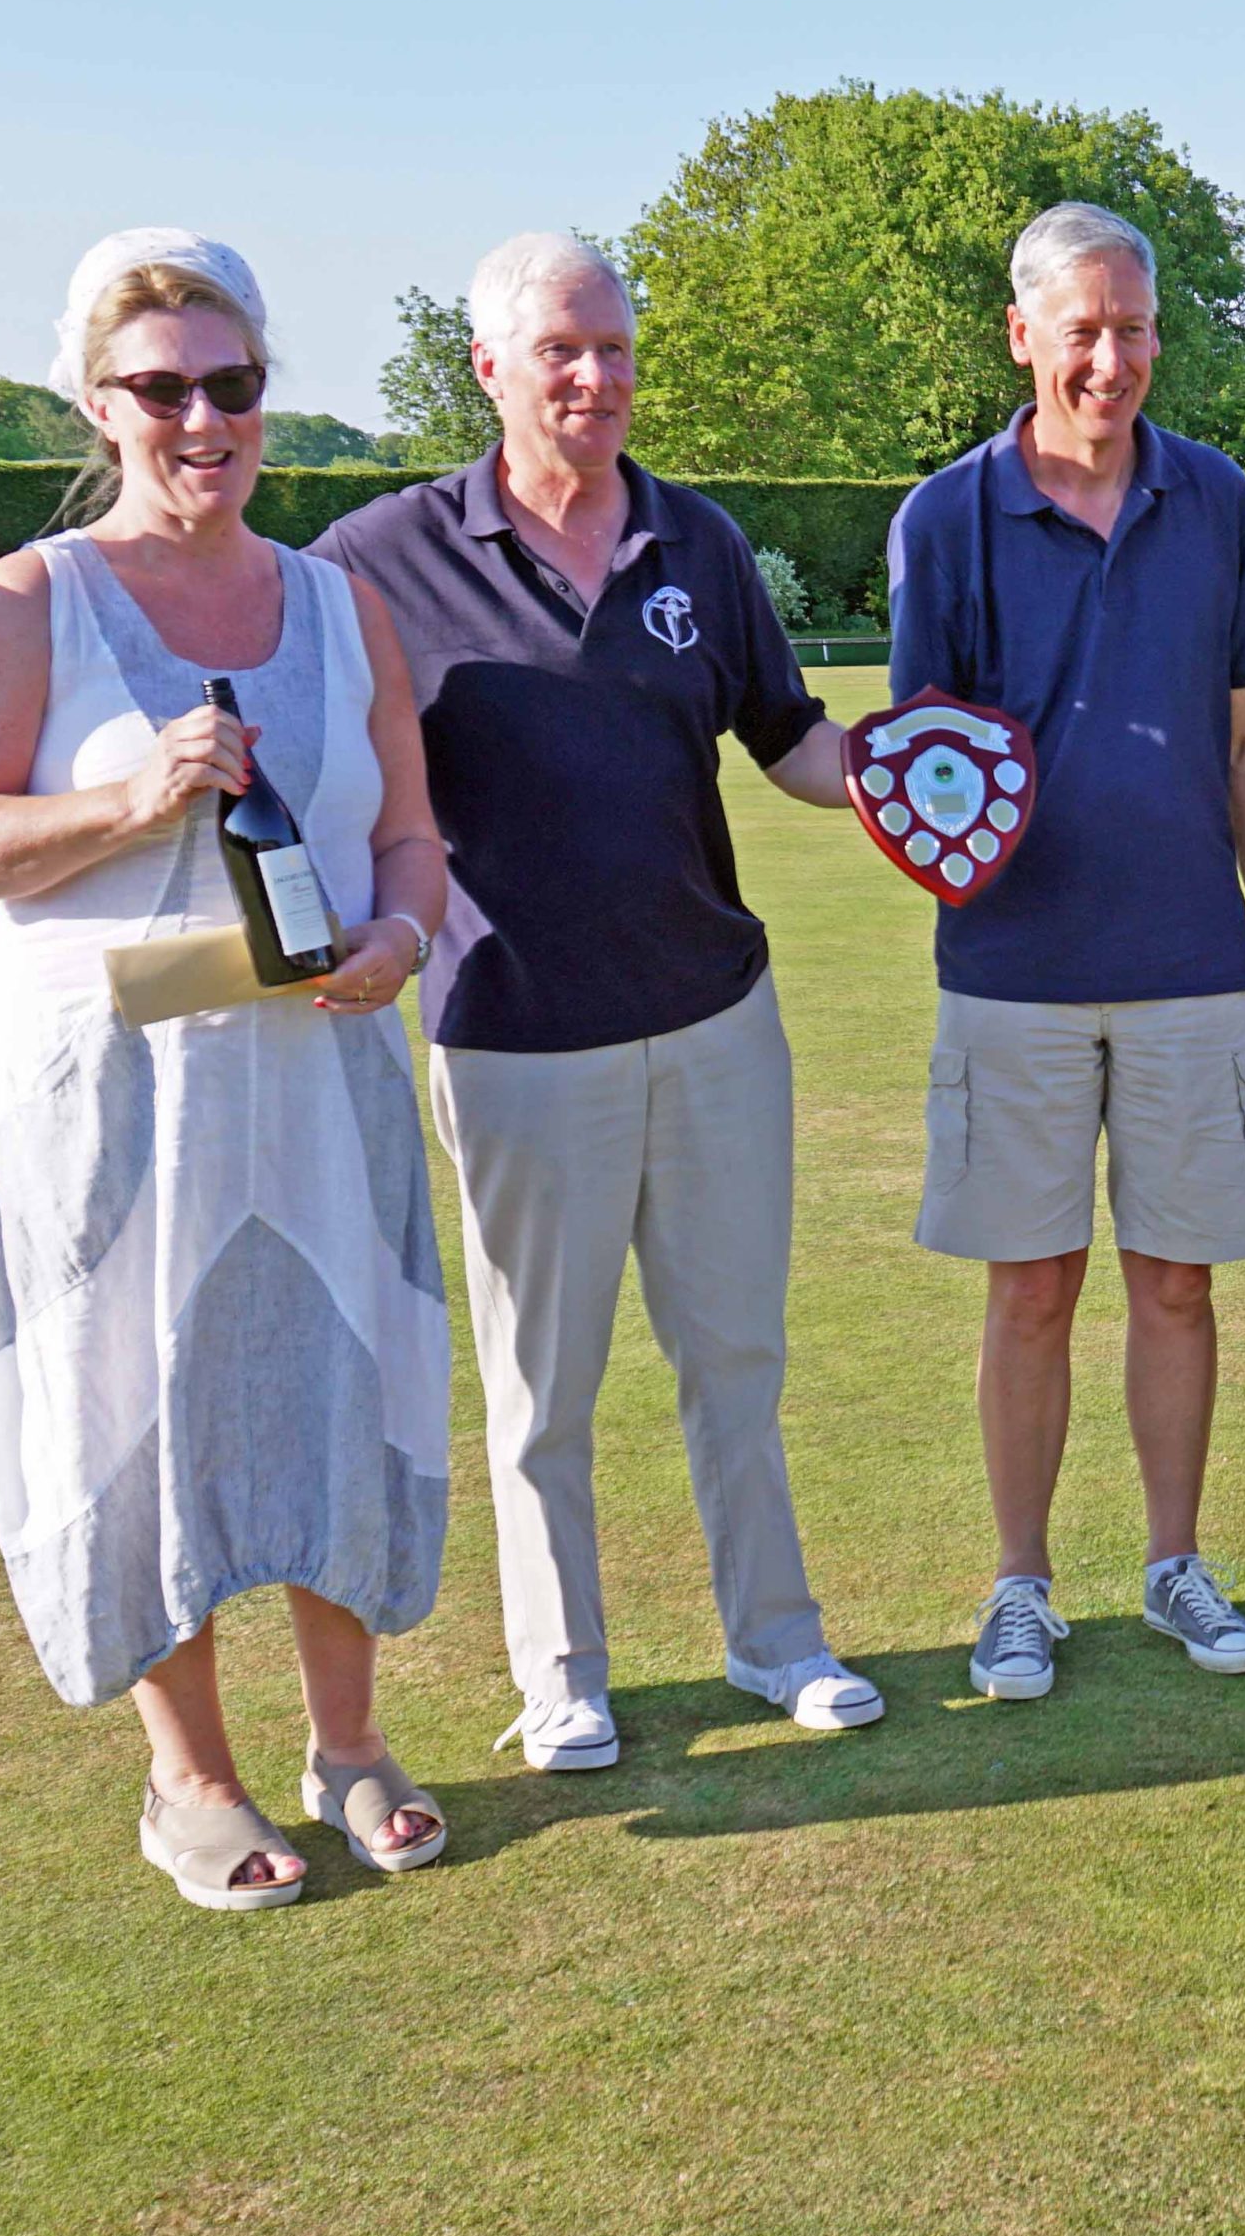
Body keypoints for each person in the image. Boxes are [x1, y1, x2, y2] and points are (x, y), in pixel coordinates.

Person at [0, 228, 452, 1909]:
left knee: (332, 1392)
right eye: (161, 388)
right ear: (98, 401)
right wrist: (132, 803)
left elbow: (413, 836)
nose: (201, 418)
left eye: (235, 385)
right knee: (136, 1411)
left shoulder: (347, 605)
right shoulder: (25, 601)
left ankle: (347, 1745)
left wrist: (403, 940)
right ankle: (190, 1781)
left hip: (320, 1071)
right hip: (116, 1087)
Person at [308, 234, 883, 1772]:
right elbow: (285, 721)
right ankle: (562, 1673)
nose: (596, 377)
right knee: (540, 1391)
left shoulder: (698, 542)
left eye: (616, 350)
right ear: (488, 367)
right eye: (562, 351)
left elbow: (793, 745)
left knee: (736, 1362)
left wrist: (916, 775)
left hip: (711, 1018)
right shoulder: (375, 559)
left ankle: (779, 1642)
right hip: (509, 1032)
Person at [885, 201, 1245, 1703]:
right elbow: (921, 762)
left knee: (1181, 1285)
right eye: (1085, 330)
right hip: (1012, 972)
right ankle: (1020, 1585)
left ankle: (1177, 1565)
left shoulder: (1219, 499)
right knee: (1031, 1289)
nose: (1114, 357)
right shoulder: (944, 518)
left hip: (1197, 963)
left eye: (1135, 329)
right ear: (1023, 334)